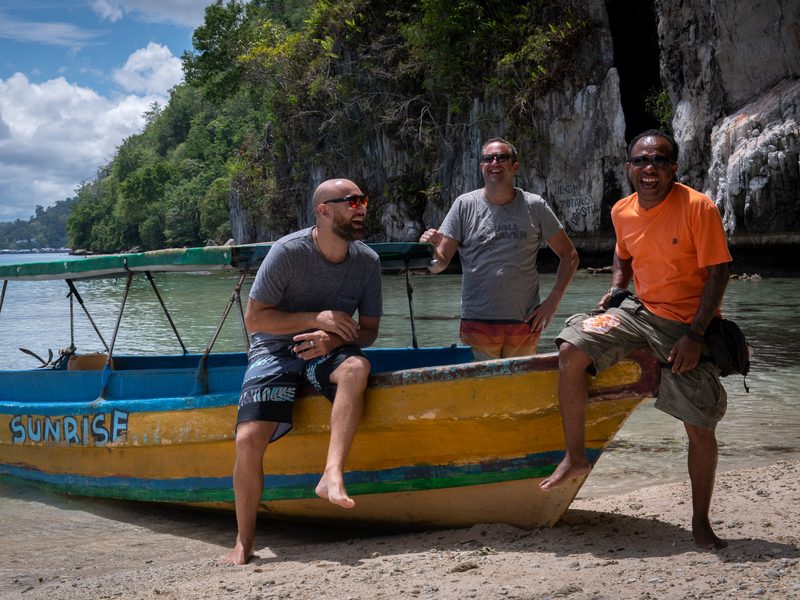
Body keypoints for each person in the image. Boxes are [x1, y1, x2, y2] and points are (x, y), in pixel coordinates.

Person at [540, 130, 732, 549]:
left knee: (700, 426)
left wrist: (695, 335)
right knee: (571, 346)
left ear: (674, 168)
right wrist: (616, 285)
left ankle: (701, 521)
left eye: (659, 161)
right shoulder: (622, 210)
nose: (649, 169)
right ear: (628, 167)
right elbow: (622, 252)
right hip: (638, 313)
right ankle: (574, 457)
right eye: (641, 161)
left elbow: (718, 274)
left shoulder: (699, 208)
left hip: (687, 325)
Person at [224, 178, 382, 565]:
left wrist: (331, 340)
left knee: (356, 367)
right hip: (275, 349)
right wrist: (317, 317)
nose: (361, 207)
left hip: (327, 350)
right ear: (324, 210)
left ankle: (331, 475)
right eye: (352, 201)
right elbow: (254, 320)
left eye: (363, 200)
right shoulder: (288, 252)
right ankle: (244, 542)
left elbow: (371, 331)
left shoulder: (367, 262)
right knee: (247, 439)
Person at [419, 137, 578, 359]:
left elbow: (569, 256)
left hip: (525, 321)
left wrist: (552, 302)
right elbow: (439, 264)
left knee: (518, 389)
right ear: (482, 166)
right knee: (481, 389)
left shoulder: (534, 205)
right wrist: (428, 251)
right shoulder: (464, 205)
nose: (495, 162)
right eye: (488, 158)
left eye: (502, 157)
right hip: (477, 322)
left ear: (515, 166)